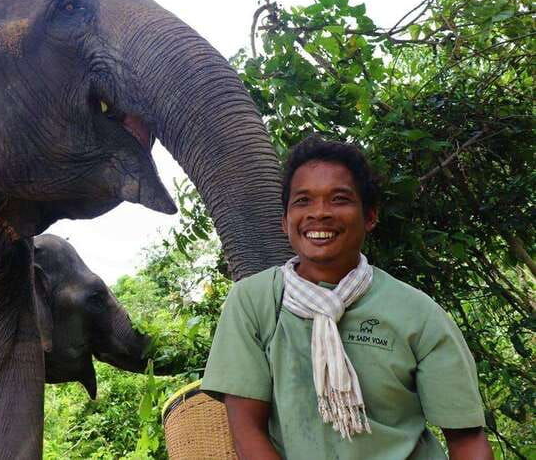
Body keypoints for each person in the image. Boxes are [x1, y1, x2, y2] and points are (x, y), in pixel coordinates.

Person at [201, 136, 492, 459]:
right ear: (285, 221)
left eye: (339, 199)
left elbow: (467, 441)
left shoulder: (417, 313)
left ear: (369, 216)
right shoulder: (254, 302)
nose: (320, 213)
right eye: (303, 201)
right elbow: (246, 430)